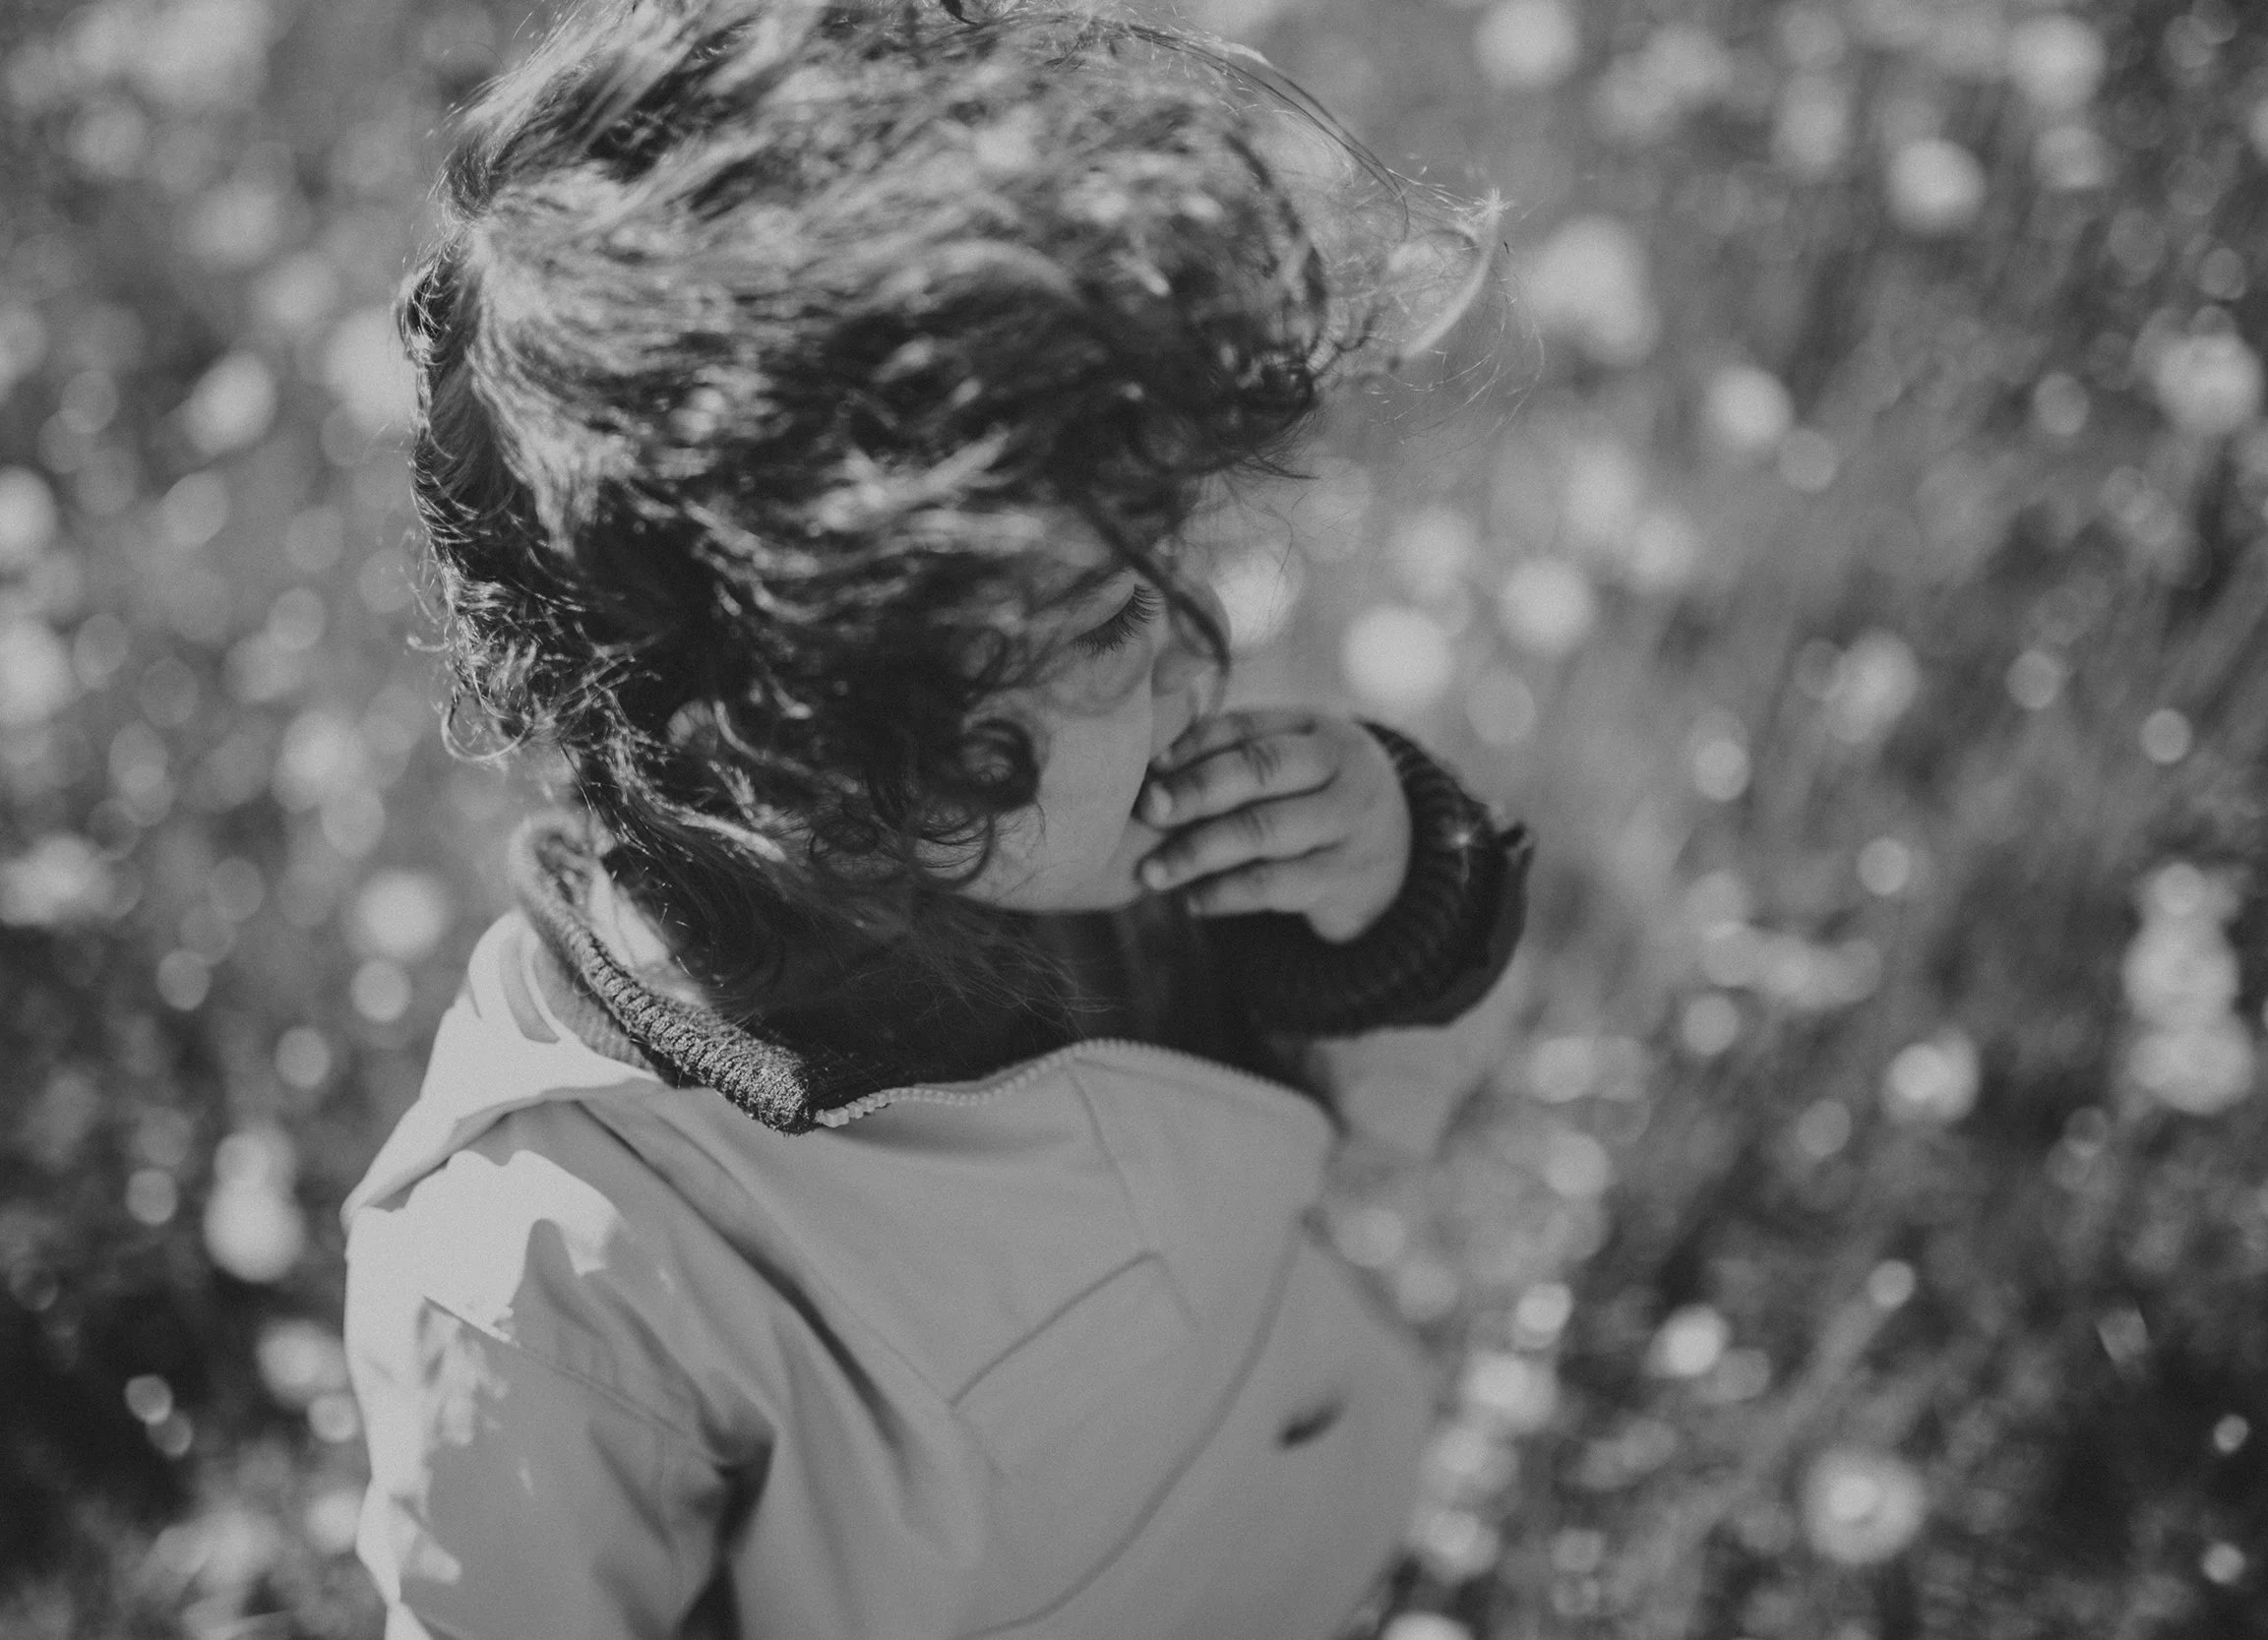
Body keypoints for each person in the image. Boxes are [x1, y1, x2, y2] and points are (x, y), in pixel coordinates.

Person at [340, 0, 1529, 1634]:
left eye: (1164, 562)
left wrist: (1390, 894)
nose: (1201, 655)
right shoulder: (573, 1255)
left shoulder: (1096, 848)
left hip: (1322, 1559)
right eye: (1107, 621)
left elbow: (1399, 1120)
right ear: (791, 747)